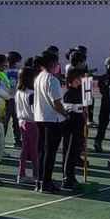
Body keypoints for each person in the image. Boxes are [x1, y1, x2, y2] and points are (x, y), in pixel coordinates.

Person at [33, 51, 68, 193]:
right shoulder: (51, 80)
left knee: (42, 150)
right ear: (53, 63)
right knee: (50, 151)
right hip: (52, 119)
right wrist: (65, 113)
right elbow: (56, 103)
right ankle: (46, 182)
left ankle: (40, 180)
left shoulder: (39, 77)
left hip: (40, 117)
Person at [13, 65, 39, 188]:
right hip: (32, 123)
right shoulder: (31, 94)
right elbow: (35, 111)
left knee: (25, 149)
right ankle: (36, 174)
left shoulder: (18, 92)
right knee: (34, 150)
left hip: (21, 121)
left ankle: (21, 173)